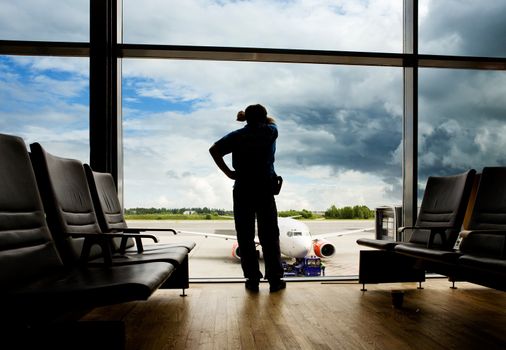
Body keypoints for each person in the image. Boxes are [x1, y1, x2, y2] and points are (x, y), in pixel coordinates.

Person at [209, 104, 285, 292]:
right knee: (270, 236)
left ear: (247, 119)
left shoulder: (237, 136)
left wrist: (228, 172)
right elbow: (272, 122)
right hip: (265, 189)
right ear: (264, 117)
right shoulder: (271, 132)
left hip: (243, 188)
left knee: (245, 236)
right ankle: (274, 279)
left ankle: (252, 279)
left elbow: (214, 150)